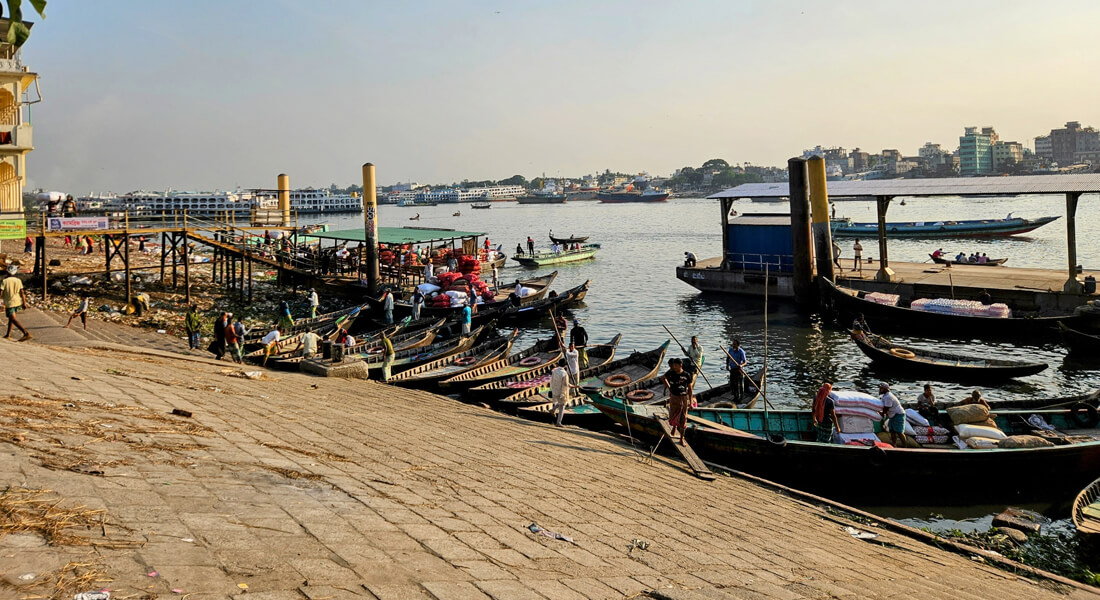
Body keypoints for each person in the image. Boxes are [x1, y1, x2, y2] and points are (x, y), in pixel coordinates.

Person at [661, 358, 694, 445]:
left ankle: (681, 438)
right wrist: (669, 388)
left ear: (680, 365)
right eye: (673, 365)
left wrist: (690, 402)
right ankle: (675, 426)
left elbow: (690, 389)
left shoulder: (687, 375)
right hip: (674, 397)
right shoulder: (671, 373)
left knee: (684, 418)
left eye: (676, 365)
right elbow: (663, 378)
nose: (674, 367)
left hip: (683, 397)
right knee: (674, 413)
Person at [2, 266, 30, 341]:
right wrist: (24, 303)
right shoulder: (18, 280)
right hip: (17, 301)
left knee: (13, 319)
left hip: (9, 302)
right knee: (11, 318)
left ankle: (25, 332)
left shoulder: (4, 281)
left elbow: (1, 292)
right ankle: (8, 334)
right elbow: (22, 292)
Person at [879, 382, 905, 447]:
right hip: (892, 415)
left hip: (898, 414)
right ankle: (894, 445)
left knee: (899, 432)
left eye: (881, 388)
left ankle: (905, 446)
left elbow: (887, 408)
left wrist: (882, 414)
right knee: (892, 431)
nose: (879, 390)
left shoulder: (888, 397)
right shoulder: (884, 396)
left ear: (885, 389)